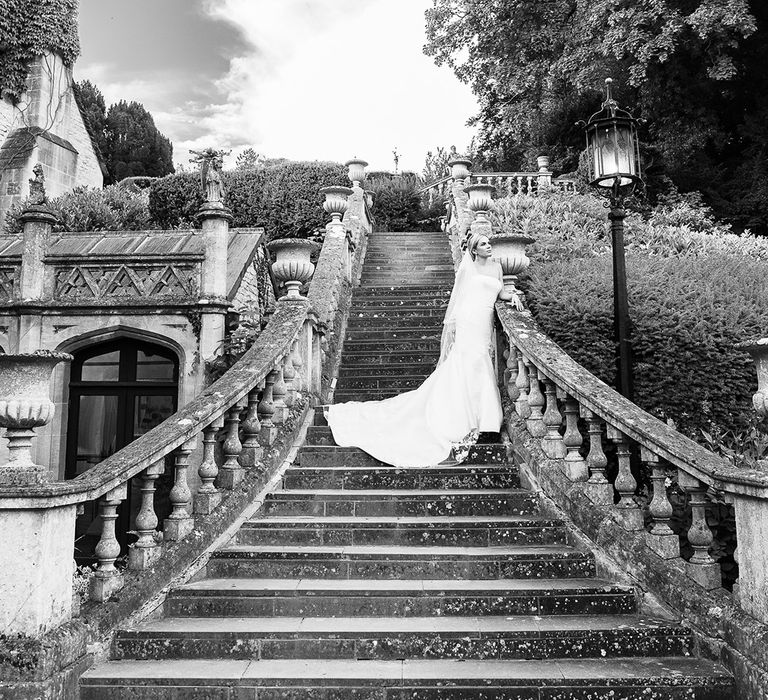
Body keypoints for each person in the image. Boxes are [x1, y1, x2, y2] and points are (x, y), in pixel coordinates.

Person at [325, 231, 519, 467]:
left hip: (485, 321)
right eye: (483, 244)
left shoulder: (497, 268)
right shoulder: (467, 269)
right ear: (474, 249)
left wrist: (514, 296)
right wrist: (456, 326)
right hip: (470, 320)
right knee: (469, 361)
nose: (489, 246)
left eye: (489, 242)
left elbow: (501, 291)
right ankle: (469, 419)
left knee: (482, 361)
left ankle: (485, 418)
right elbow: (458, 299)